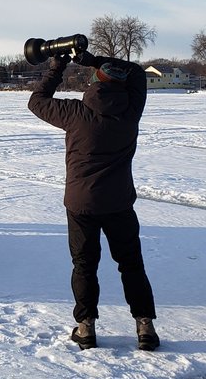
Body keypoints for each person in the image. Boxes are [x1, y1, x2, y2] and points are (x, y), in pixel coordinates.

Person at [27, 48, 159, 351]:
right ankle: (145, 327)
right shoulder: (130, 111)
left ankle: (86, 327)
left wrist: (56, 68)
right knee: (131, 265)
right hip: (119, 202)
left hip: (81, 203)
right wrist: (95, 59)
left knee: (84, 266)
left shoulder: (75, 113)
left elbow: (36, 101)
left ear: (94, 84)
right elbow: (138, 74)